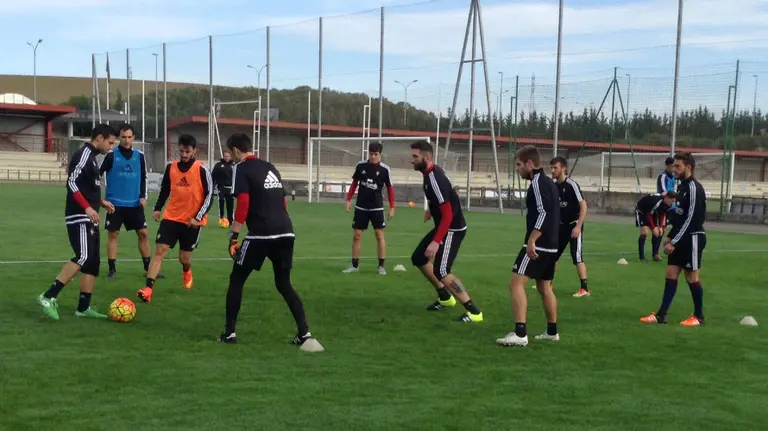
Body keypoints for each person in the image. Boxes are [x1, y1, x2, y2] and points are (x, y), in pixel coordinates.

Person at [218, 133, 321, 350]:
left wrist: (234, 235)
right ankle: (305, 333)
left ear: (236, 150)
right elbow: (283, 202)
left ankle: (229, 333)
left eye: (231, 153)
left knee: (237, 279)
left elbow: (243, 203)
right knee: (284, 283)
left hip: (261, 234)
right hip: (286, 232)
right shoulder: (270, 167)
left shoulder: (241, 169)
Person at [37, 124, 117, 320]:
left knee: (92, 263)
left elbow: (86, 187)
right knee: (82, 257)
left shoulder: (92, 159)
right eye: (110, 142)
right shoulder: (83, 155)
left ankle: (83, 308)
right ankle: (48, 296)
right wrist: (87, 208)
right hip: (80, 216)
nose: (111, 147)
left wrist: (100, 202)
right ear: (99, 138)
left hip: (91, 216)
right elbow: (71, 182)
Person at [408, 140, 483, 323]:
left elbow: (448, 215)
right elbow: (444, 198)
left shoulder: (434, 178)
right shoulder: (430, 173)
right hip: (444, 225)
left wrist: (436, 241)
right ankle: (445, 297)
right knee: (419, 257)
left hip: (452, 229)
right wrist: (430, 210)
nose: (412, 160)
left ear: (427, 157)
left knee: (441, 270)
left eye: (415, 156)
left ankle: (474, 312)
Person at [137, 134, 213, 303]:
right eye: (181, 151)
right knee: (160, 251)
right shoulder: (171, 168)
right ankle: (148, 288)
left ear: (195, 151)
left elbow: (209, 196)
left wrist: (198, 217)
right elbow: (165, 190)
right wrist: (157, 208)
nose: (184, 154)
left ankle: (187, 270)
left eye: (187, 151)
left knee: (183, 258)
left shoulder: (202, 170)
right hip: (171, 217)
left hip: (191, 222)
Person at [496, 145, 560, 347]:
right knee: (544, 287)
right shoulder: (548, 183)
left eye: (518, 165)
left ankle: (520, 334)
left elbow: (544, 212)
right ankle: (552, 332)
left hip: (538, 246)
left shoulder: (539, 183)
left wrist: (532, 239)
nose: (517, 169)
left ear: (529, 164)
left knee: (515, 284)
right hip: (551, 245)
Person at [641, 152, 707, 326]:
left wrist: (674, 242)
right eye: (674, 166)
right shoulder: (682, 187)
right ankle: (661, 315)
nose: (674, 169)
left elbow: (691, 219)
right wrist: (670, 235)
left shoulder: (693, 188)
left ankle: (699, 316)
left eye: (678, 166)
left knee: (692, 277)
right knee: (671, 274)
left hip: (693, 237)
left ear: (689, 167)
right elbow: (680, 216)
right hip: (681, 235)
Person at [100, 124, 160, 280]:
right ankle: (112, 270)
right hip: (115, 203)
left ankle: (148, 268)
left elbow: (143, 177)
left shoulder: (139, 156)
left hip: (134, 204)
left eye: (129, 137)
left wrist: (143, 196)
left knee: (143, 234)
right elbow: (98, 174)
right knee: (113, 235)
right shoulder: (111, 155)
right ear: (119, 138)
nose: (126, 140)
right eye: (123, 137)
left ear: (134, 138)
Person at [342, 142, 396, 275]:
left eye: (375, 154)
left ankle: (381, 266)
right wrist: (348, 199)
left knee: (379, 235)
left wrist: (392, 207)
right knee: (357, 235)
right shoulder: (361, 166)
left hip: (377, 207)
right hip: (361, 206)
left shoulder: (385, 170)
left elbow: (390, 189)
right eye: (371, 154)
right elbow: (355, 183)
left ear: (380, 154)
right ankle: (355, 266)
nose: (373, 157)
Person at [549, 157, 590, 297]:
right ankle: (548, 284)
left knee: (577, 257)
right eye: (551, 168)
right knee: (552, 255)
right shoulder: (553, 185)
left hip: (573, 226)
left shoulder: (572, 185)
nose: (552, 170)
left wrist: (578, 226)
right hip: (560, 227)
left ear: (564, 168)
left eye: (555, 167)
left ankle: (584, 288)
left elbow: (583, 206)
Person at [635, 192, 677, 262]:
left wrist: (660, 227)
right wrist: (653, 227)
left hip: (652, 213)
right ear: (666, 198)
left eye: (674, 201)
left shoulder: (668, 204)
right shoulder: (656, 202)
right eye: (672, 201)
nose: (672, 203)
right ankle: (641, 257)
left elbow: (662, 214)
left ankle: (655, 254)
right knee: (644, 232)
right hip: (642, 211)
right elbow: (648, 216)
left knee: (660, 232)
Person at [212, 150, 235, 226]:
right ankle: (221, 219)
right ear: (223, 156)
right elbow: (213, 175)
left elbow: (237, 177)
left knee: (230, 204)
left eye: (228, 156)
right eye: (225, 156)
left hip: (230, 188)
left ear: (230, 157)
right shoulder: (218, 165)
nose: (226, 158)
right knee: (221, 201)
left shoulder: (234, 165)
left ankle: (230, 221)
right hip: (221, 187)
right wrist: (213, 185)